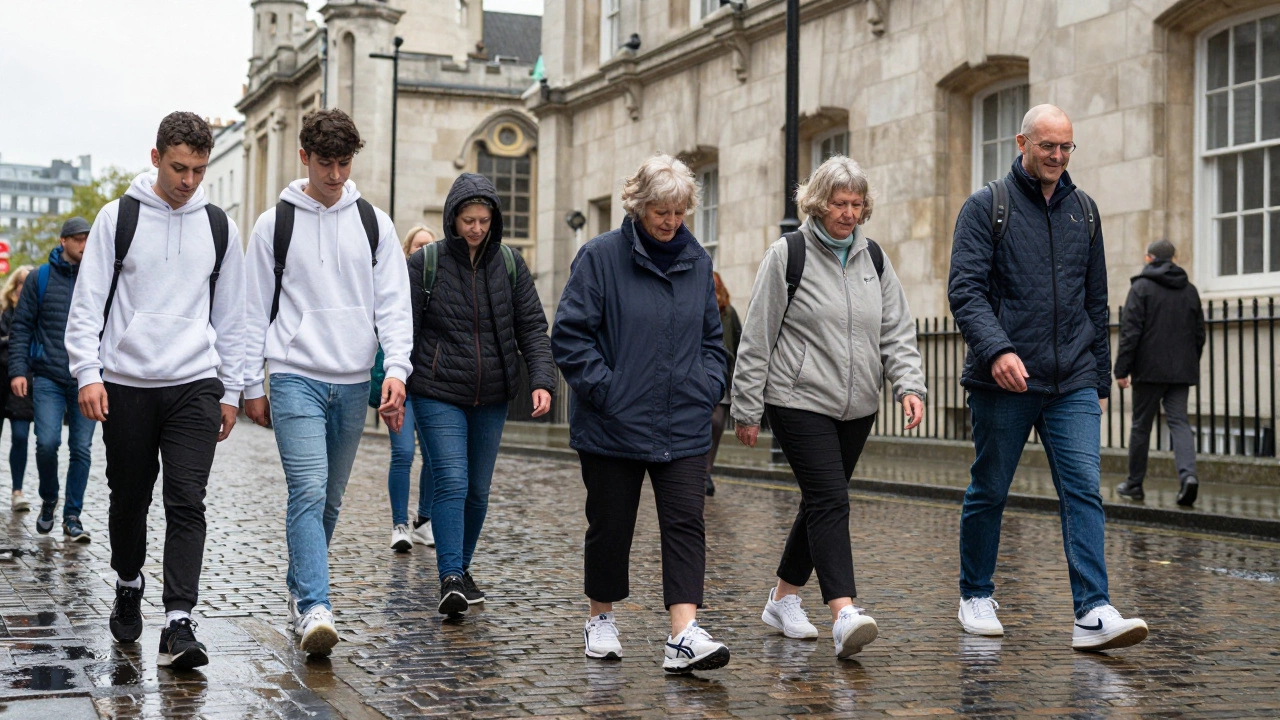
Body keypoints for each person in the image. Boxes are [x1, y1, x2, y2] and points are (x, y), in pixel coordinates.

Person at [948, 104, 1148, 652]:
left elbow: (1096, 299)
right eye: (1047, 147)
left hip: (1073, 380)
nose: (1057, 157)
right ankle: (976, 594)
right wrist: (996, 351)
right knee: (990, 489)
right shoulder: (987, 206)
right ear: (1022, 143)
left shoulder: (1085, 210)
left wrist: (1099, 383)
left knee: (1084, 489)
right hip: (1006, 380)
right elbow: (964, 291)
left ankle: (1092, 610)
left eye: (1066, 148)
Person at [64, 112, 247, 670]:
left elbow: (233, 316)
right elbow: (88, 305)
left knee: (187, 499)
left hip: (195, 383)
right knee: (129, 500)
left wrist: (232, 389)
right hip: (127, 385)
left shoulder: (219, 227)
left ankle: (178, 621)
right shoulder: (117, 218)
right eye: (178, 167)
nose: (188, 180)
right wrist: (88, 374)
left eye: (198, 169)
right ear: (155, 157)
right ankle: (126, 580)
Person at [732, 155, 926, 660]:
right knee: (831, 501)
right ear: (818, 204)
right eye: (840, 203)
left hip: (858, 405)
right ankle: (844, 612)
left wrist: (910, 387)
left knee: (821, 500)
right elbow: (757, 333)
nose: (848, 213)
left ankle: (782, 598)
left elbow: (897, 330)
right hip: (798, 399)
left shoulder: (874, 259)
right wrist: (747, 407)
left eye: (857, 204)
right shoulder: (788, 254)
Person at [552, 154, 731, 674]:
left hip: (684, 421)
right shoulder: (600, 257)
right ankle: (601, 619)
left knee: (685, 523)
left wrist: (707, 387)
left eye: (679, 211)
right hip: (613, 423)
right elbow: (569, 335)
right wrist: (607, 391)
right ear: (638, 205)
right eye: (661, 210)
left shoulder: (697, 261)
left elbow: (711, 340)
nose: (671, 221)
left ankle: (683, 632)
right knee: (611, 526)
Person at [243, 108, 413, 656]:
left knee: (331, 501)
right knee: (309, 491)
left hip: (352, 377)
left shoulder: (374, 224)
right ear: (304, 158)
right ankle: (317, 603)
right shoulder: (276, 225)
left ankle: (299, 592)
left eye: (343, 163)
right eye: (325, 163)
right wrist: (250, 383)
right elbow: (250, 311)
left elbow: (393, 305)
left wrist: (397, 370)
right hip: (295, 376)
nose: (335, 175)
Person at [406, 174, 555, 616]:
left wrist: (543, 379)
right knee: (451, 480)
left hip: (493, 393)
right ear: (453, 218)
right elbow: (402, 329)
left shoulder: (509, 263)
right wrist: (397, 382)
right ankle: (450, 576)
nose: (475, 228)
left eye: (483, 220)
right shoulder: (426, 263)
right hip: (436, 390)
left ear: (494, 219)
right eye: (468, 220)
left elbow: (532, 326)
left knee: (478, 489)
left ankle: (462, 568)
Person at [8, 217, 94, 541]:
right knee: (47, 443)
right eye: (78, 239)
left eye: (88, 238)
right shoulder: (39, 278)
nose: (84, 245)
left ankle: (72, 516)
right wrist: (18, 370)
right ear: (63, 241)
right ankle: (49, 498)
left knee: (81, 448)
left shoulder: (98, 277)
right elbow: (21, 327)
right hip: (48, 376)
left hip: (86, 377)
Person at [1114, 239, 1205, 507]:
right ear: (1173, 259)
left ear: (1149, 259)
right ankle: (1188, 478)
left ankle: (1134, 484)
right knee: (1179, 422)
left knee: (1141, 425)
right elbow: (1199, 334)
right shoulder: (1190, 290)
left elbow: (1130, 333)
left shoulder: (1140, 288)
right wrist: (1188, 364)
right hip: (1180, 372)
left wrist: (1122, 369)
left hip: (1148, 371)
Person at [387, 225, 436, 552]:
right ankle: (399, 524)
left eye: (429, 247)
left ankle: (423, 522)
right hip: (401, 384)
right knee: (403, 453)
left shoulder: (442, 283)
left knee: (434, 457)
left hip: (433, 386)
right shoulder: (396, 283)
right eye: (418, 246)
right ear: (407, 249)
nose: (423, 251)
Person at [0, 265, 35, 512]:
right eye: (23, 282)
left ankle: (17, 490)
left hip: (22, 384)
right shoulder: (2, 313)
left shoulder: (38, 314)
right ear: (14, 287)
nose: (26, 287)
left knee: (21, 437)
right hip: (0, 381)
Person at [703, 272, 740, 497]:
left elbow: (739, 341)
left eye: (716, 288)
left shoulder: (729, 313)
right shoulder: (697, 307)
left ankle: (706, 470)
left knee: (716, 424)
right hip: (700, 378)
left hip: (724, 379)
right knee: (702, 423)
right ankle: (699, 471)